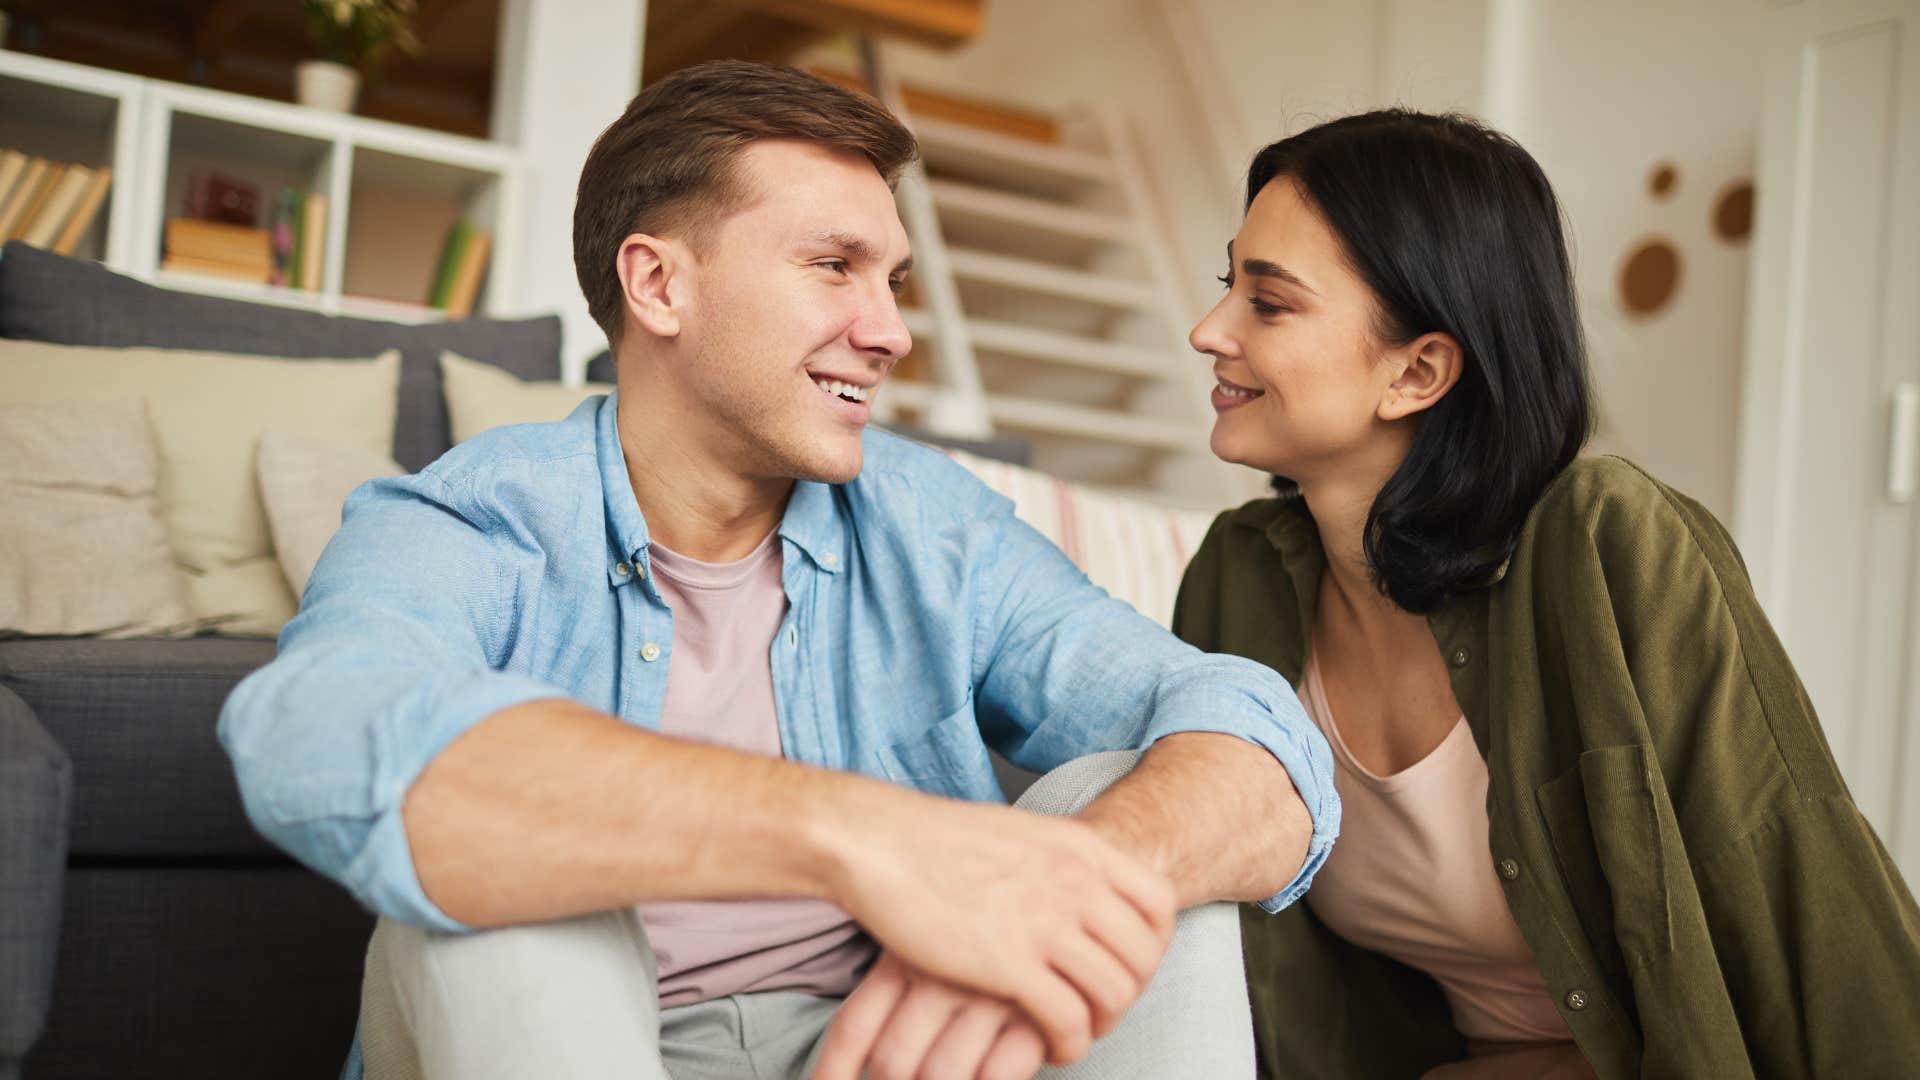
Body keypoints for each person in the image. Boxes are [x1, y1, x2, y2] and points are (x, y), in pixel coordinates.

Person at [220, 60, 1337, 1080]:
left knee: (1135, 822)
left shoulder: (932, 524)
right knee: (515, 870)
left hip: (888, 1050)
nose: (891, 332)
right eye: (834, 266)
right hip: (583, 1042)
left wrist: (1063, 886)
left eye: (892, 280)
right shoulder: (470, 520)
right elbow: (313, 728)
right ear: (659, 286)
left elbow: (1252, 738)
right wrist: (857, 837)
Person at [1175, 107, 1920, 1079]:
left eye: (1269, 303)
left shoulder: (1607, 543)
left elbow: (1794, 877)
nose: (1208, 331)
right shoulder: (1237, 575)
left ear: (1418, 371)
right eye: (1228, 285)